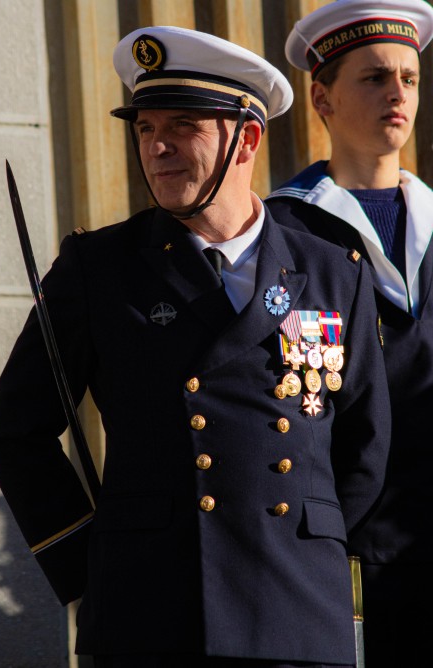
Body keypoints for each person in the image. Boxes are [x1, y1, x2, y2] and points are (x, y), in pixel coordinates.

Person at [0, 25, 390, 668]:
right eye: (145, 128)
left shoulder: (334, 272)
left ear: (246, 138)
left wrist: (318, 558)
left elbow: (365, 447)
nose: (157, 147)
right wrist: (92, 563)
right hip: (152, 612)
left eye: (183, 126)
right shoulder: (100, 268)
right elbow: (16, 431)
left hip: (297, 615)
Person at [266, 0, 433, 665]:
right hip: (335, 553)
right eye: (374, 77)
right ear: (322, 98)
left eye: (409, 78)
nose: (398, 93)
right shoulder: (279, 232)